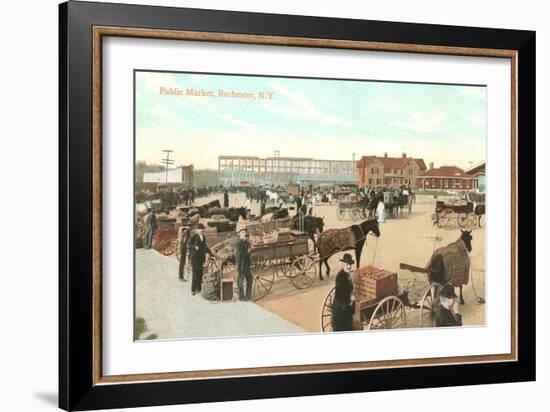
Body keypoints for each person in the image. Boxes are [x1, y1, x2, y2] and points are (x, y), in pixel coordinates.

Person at [331, 253, 356, 332]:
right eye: (347, 264)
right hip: (341, 308)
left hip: (344, 306)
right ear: (343, 264)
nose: (349, 266)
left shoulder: (346, 274)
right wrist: (351, 299)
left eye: (350, 265)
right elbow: (342, 293)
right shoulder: (341, 276)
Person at [189, 224, 213, 295]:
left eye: (202, 229)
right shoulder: (194, 236)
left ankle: (199, 288)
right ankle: (193, 290)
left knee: (200, 273)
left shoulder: (204, 237)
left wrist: (210, 251)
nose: (201, 230)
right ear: (197, 230)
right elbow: (189, 244)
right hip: (195, 257)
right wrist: (194, 247)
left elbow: (204, 246)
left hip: (201, 257)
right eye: (199, 229)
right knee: (195, 274)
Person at [235, 227, 253, 301]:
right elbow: (239, 255)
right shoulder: (238, 243)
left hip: (247, 264)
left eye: (245, 232)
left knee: (250, 279)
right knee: (240, 282)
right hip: (241, 265)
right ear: (239, 234)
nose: (244, 233)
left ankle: (248, 296)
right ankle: (241, 297)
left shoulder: (246, 242)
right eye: (242, 232)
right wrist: (248, 252)